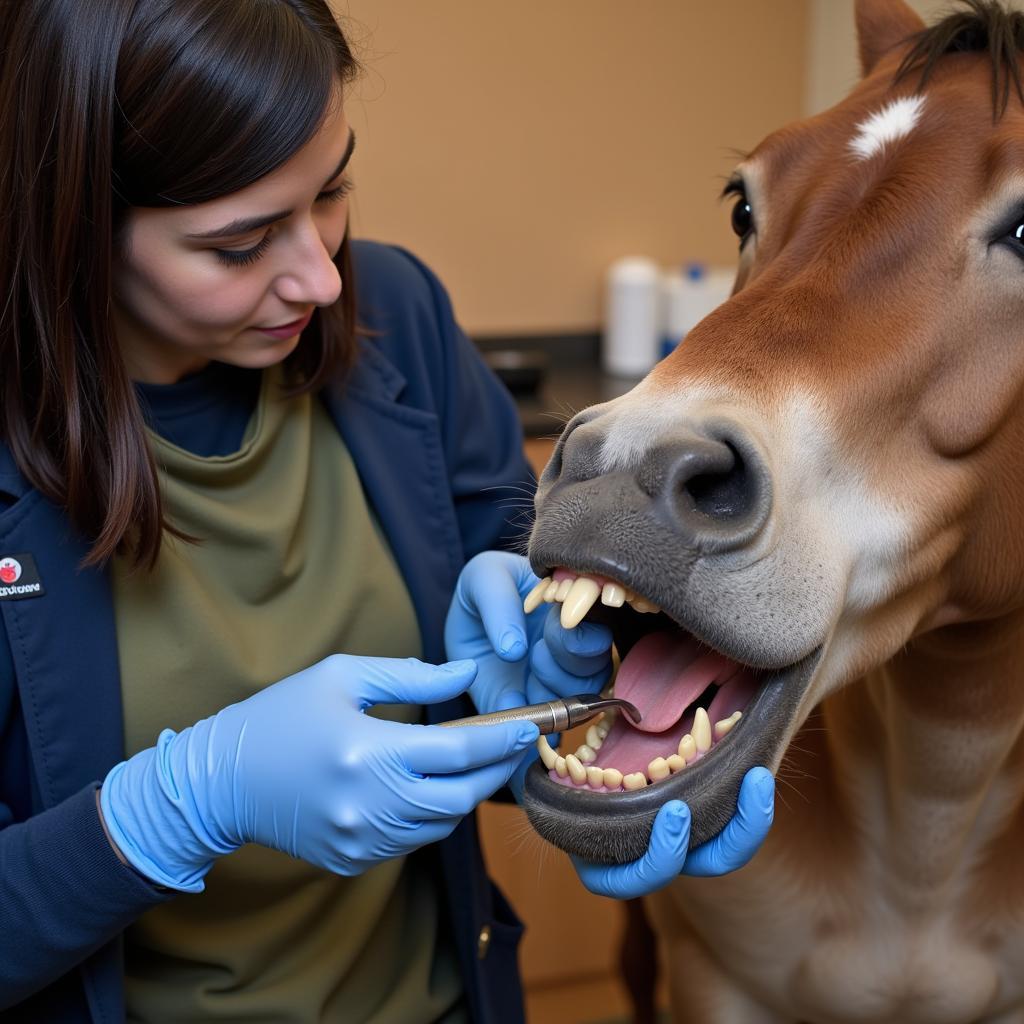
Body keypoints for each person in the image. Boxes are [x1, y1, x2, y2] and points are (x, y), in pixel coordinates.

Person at [0, 1, 775, 1021]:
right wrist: (167, 812)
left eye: (331, 191)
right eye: (239, 245)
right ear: (70, 222)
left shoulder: (396, 317)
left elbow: (498, 593)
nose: (319, 277)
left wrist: (557, 694)